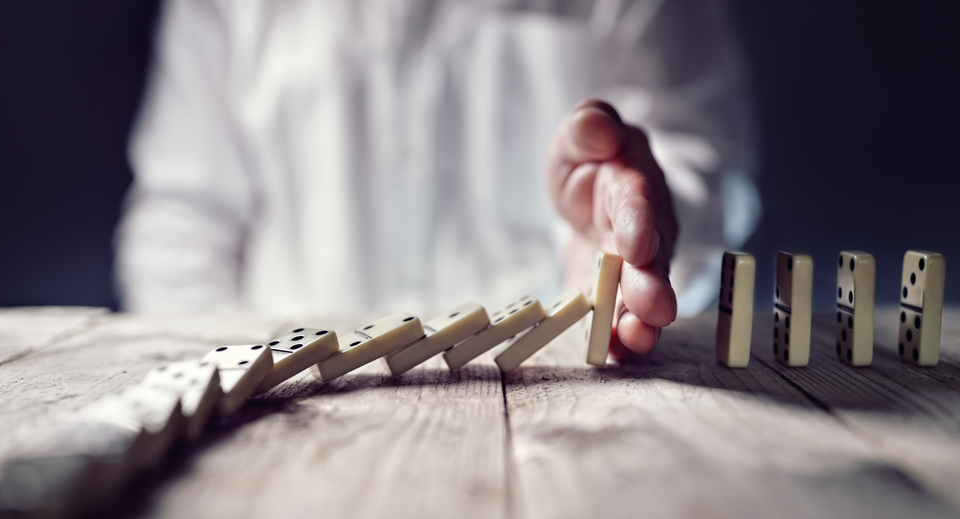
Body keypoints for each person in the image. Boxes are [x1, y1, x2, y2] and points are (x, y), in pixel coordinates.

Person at [115, 0, 758, 359]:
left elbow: (706, 164)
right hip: (282, 407)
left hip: (556, 408)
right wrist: (230, 387)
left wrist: (646, 235)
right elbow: (182, 222)